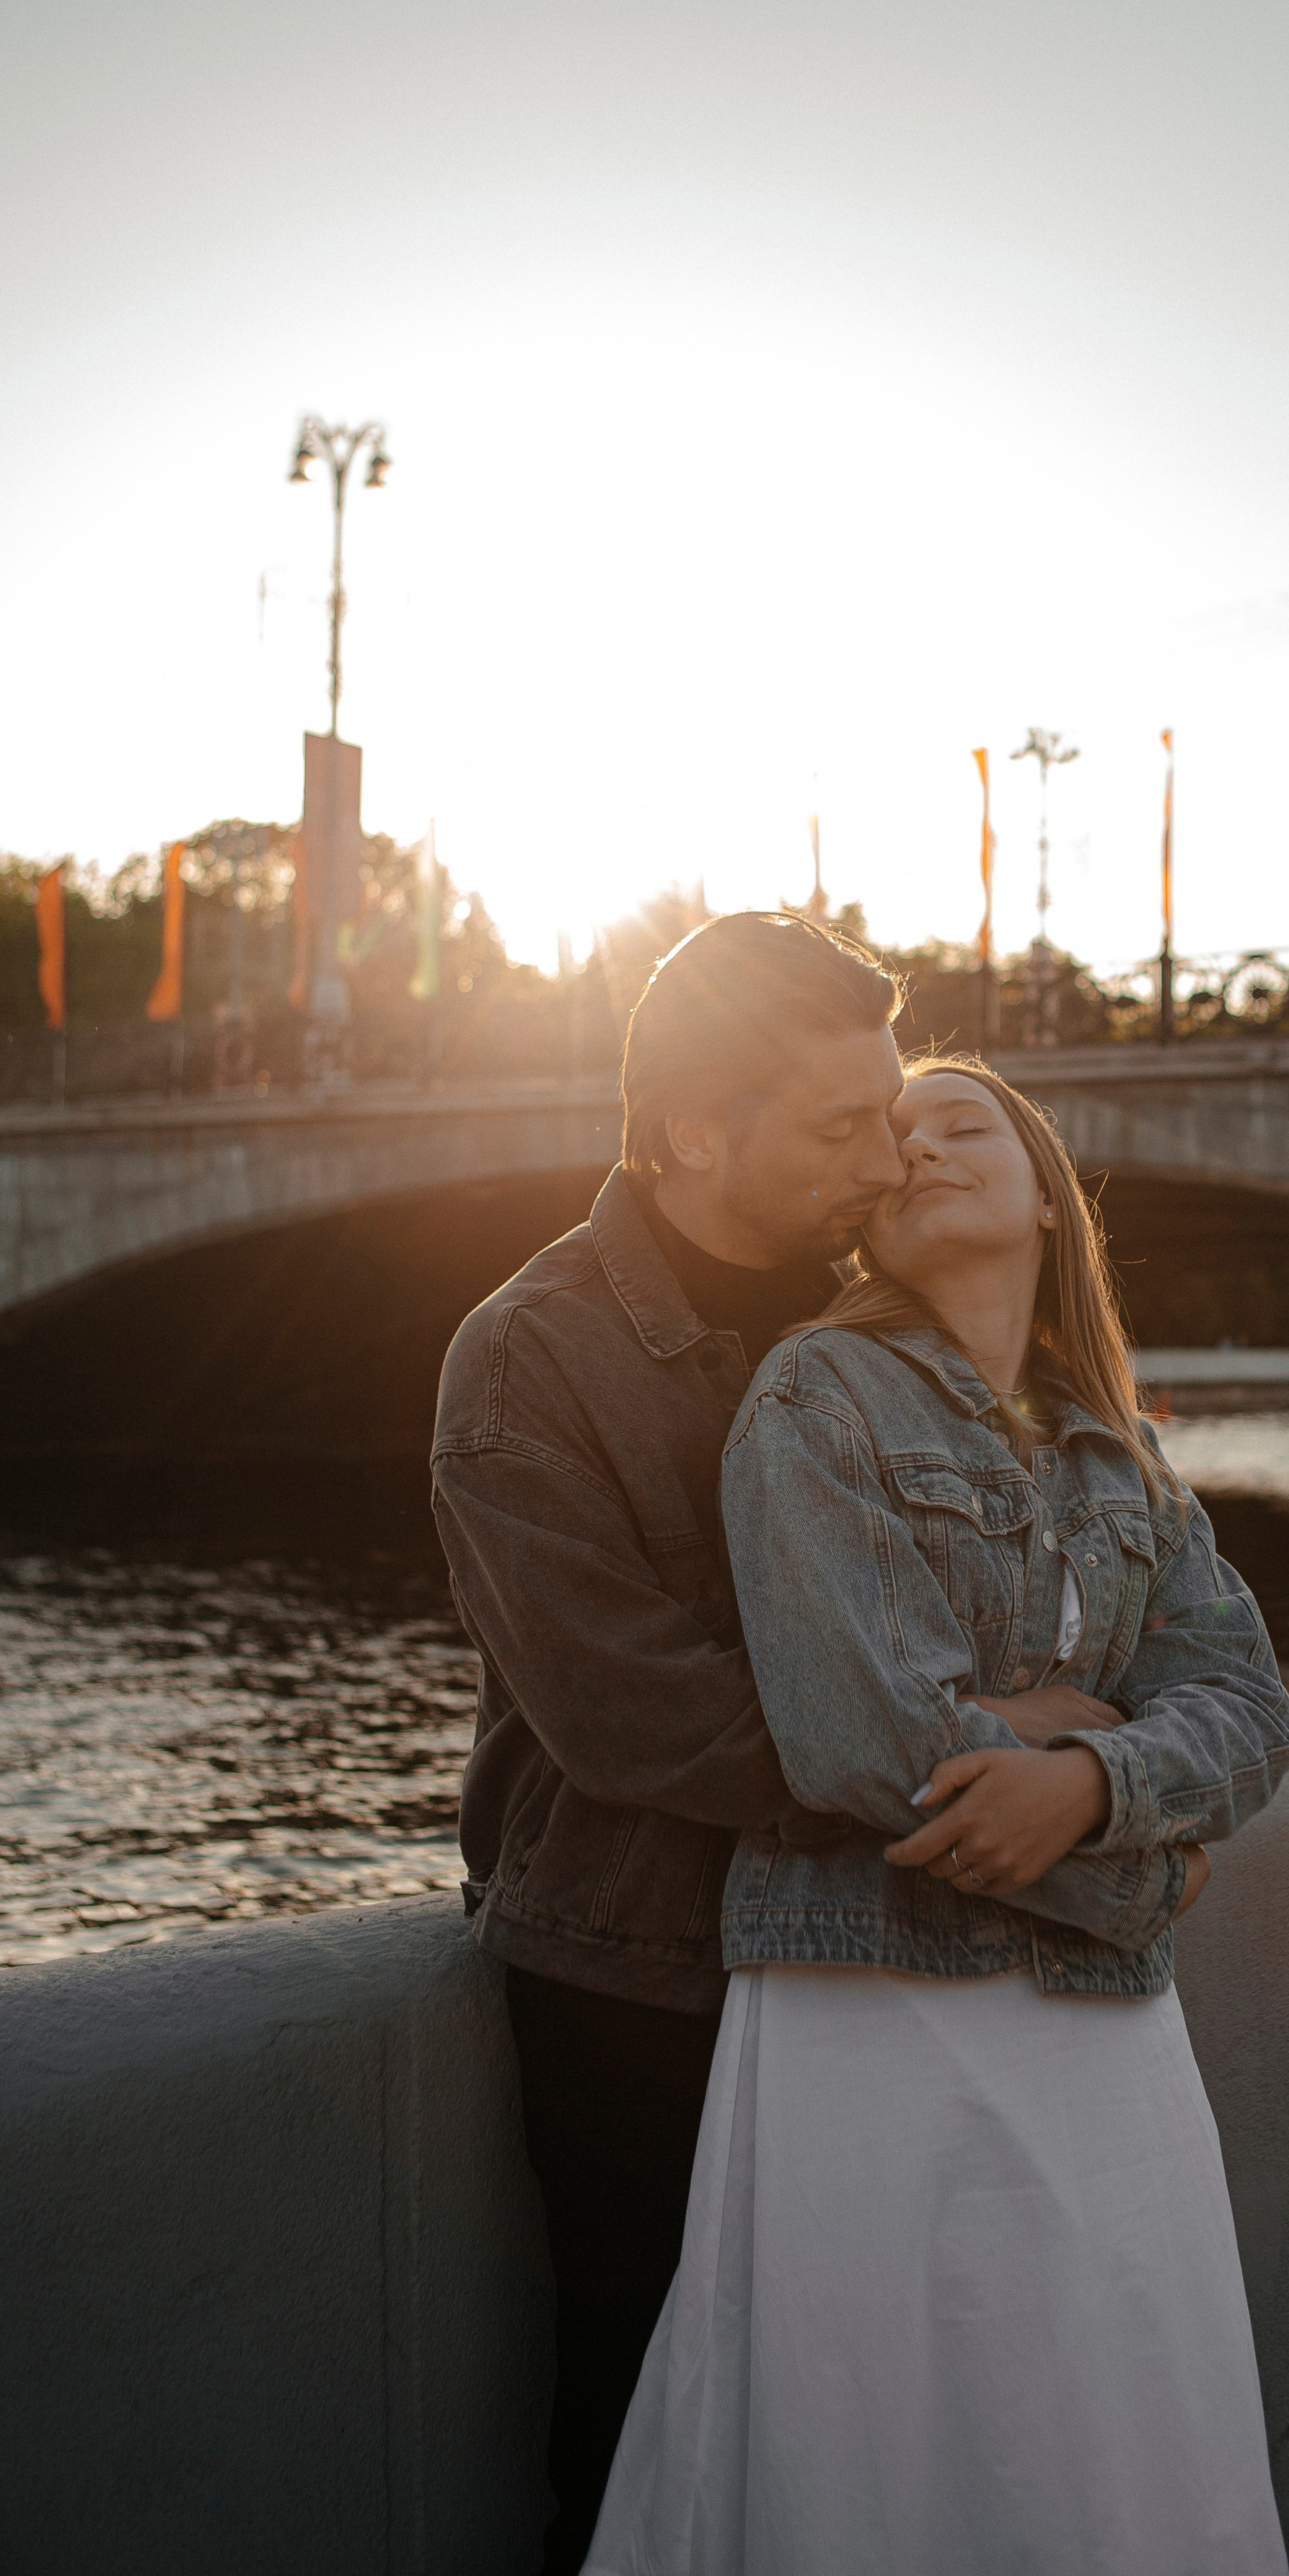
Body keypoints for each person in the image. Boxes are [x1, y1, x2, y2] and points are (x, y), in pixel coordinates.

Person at [587, 1056, 1289, 2576]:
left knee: (1111, 2438)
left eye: (958, 1124)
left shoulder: (1128, 1460)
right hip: (875, 2001)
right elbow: (857, 1732)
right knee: (881, 2449)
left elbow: (1245, 1708)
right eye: (887, 1141)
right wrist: (1134, 1858)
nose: (916, 1148)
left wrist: (1092, 1781)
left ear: (1046, 1190)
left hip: (1102, 2034)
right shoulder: (810, 1393)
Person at [434, 914, 1047, 2574]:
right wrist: (988, 1760)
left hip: (877, 1950)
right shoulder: (525, 1360)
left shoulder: (880, 1317)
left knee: (869, 2431)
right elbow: (633, 1709)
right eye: (841, 1127)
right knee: (652, 2437)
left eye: (890, 1109)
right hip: (644, 1981)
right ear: (694, 1132)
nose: (884, 1156)